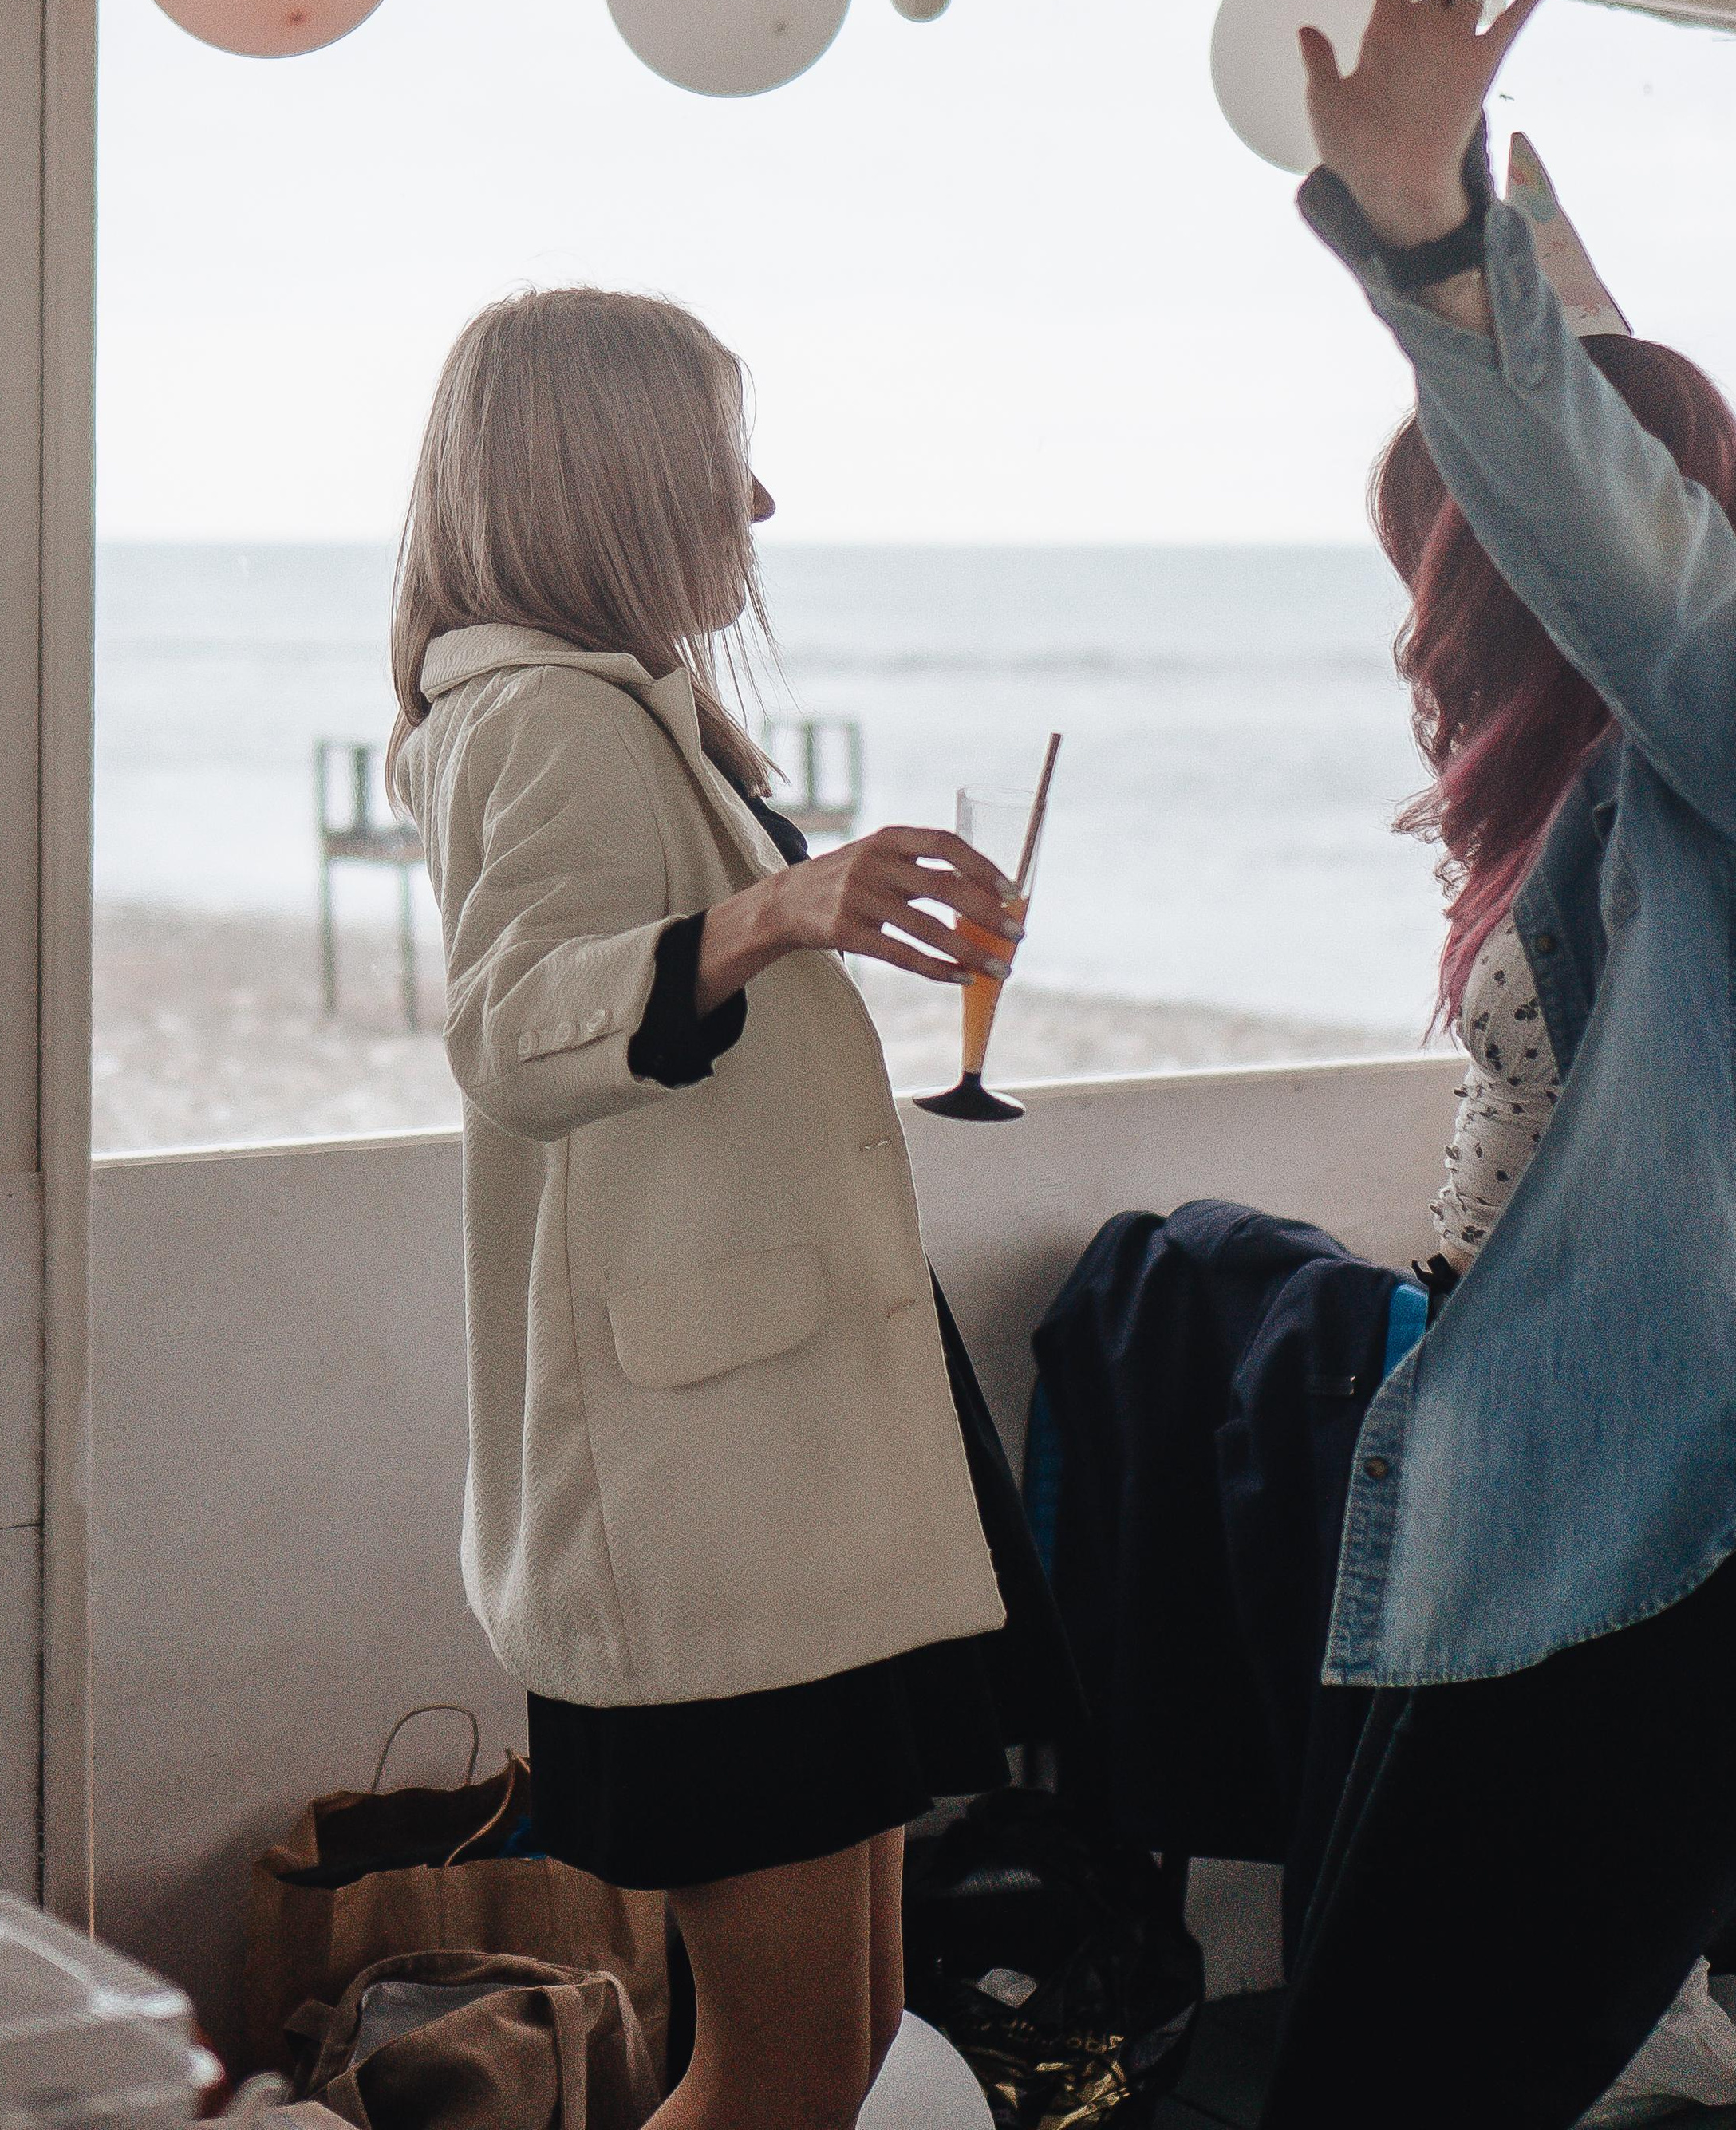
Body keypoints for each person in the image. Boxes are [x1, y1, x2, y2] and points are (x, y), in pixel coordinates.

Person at [1258, 0, 1736, 2130]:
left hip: (1697, 1538)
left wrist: (1422, 236)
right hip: (1540, 1502)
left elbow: (1625, 537)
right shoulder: (1643, 788)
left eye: (1441, 535)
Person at [387, 287, 1077, 2130]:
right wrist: (783, 909)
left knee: (827, 2053)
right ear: (606, 479)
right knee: (778, 2073)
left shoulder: (622, 718)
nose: (754, 505)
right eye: (718, 462)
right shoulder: (539, 718)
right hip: (703, 1515)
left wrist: (795, 910)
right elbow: (513, 1029)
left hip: (774, 1491)